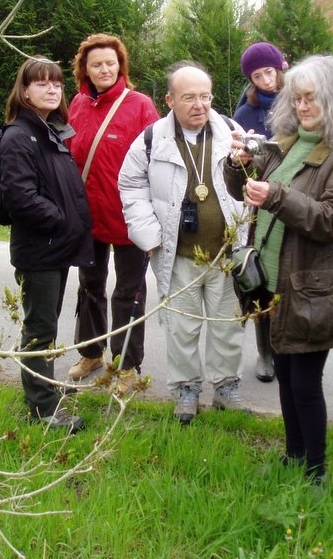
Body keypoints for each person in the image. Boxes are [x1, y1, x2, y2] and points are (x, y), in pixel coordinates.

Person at [225, 55, 333, 483]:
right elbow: (246, 193)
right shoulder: (290, 143)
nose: (303, 106)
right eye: (298, 98)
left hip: (314, 286)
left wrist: (275, 195)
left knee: (306, 384)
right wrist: (237, 166)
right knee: (289, 376)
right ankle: (294, 457)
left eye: (313, 98)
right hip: (277, 283)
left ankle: (316, 473)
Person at [118, 61, 249, 426]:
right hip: (178, 254)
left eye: (205, 97)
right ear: (170, 99)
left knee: (228, 324)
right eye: (189, 97)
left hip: (226, 253)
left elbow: (257, 181)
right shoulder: (150, 139)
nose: (199, 105)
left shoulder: (232, 133)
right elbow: (130, 186)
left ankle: (226, 386)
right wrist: (150, 238)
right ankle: (186, 389)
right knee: (182, 327)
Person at [0, 56, 94, 433]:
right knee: (39, 328)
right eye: (41, 83)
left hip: (54, 247)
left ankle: (45, 390)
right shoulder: (20, 135)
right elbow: (20, 197)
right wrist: (61, 219)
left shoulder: (50, 130)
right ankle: (42, 410)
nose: (52, 88)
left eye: (56, 83)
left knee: (46, 325)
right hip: (40, 250)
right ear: (24, 91)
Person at [65, 34, 159, 386]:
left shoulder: (140, 106)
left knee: (129, 292)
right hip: (87, 217)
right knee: (89, 286)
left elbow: (156, 161)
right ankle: (91, 353)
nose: (104, 69)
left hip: (130, 218)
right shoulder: (76, 105)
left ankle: (126, 364)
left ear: (120, 65)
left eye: (110, 63)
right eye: (96, 64)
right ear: (85, 70)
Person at [232, 41, 289, 384]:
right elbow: (240, 169)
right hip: (258, 206)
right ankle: (265, 352)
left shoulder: (300, 102)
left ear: (280, 69)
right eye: (258, 75)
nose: (267, 79)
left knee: (289, 279)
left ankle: (285, 350)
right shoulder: (246, 114)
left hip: (295, 200)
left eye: (270, 71)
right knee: (260, 280)